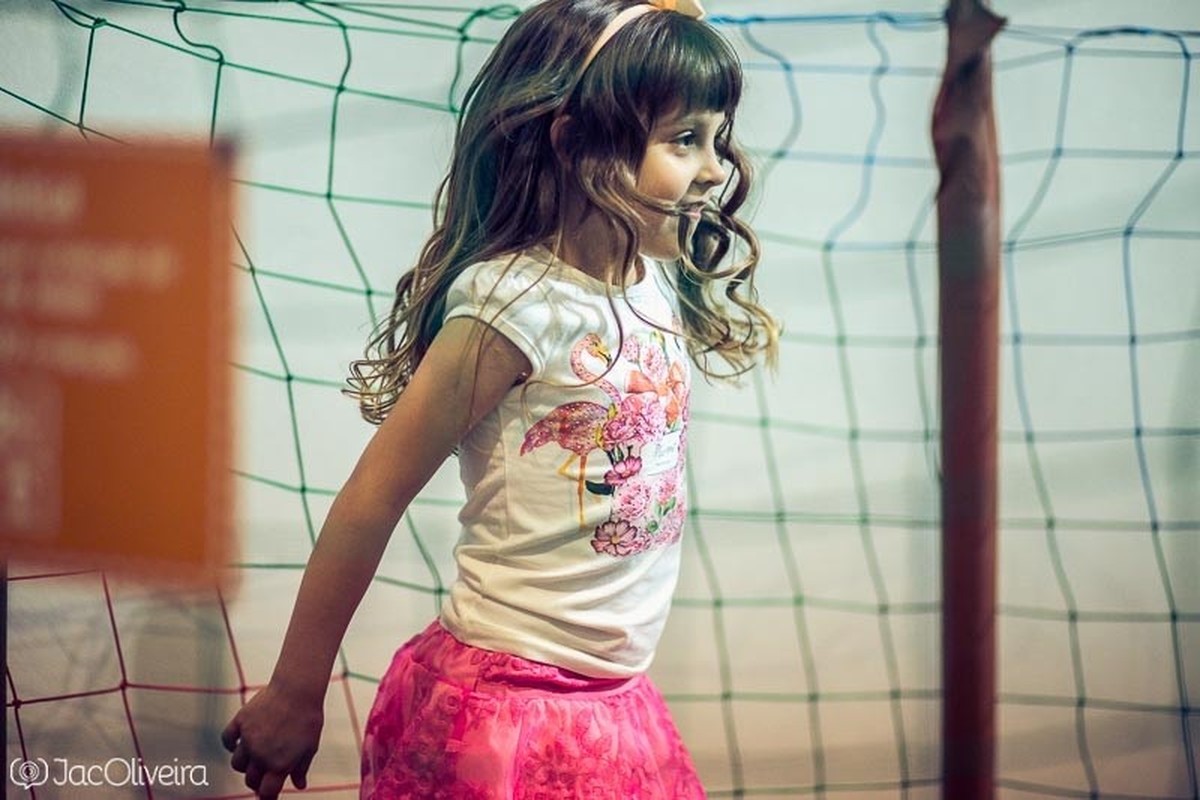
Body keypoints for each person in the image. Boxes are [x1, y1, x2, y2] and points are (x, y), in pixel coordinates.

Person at [221, 0, 777, 797]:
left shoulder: (654, 277)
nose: (717, 168)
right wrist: (296, 690)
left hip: (615, 696)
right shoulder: (515, 305)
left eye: (716, 138)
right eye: (684, 140)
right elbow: (371, 498)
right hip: (509, 705)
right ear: (577, 141)